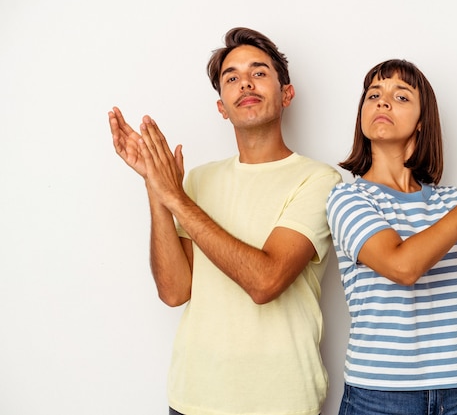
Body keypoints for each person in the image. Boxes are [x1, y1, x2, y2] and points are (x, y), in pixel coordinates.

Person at [108, 27, 341, 415]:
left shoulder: (319, 180)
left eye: (259, 72)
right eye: (231, 77)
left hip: (281, 401)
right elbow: (174, 291)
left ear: (286, 94)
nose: (244, 82)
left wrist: (176, 197)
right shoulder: (198, 180)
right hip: (193, 398)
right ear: (222, 106)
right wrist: (156, 187)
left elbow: (265, 282)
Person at [326, 59, 457, 414]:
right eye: (374, 94)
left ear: (422, 122)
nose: (383, 101)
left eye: (401, 96)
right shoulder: (347, 198)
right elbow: (402, 266)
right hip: (380, 396)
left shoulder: (452, 202)